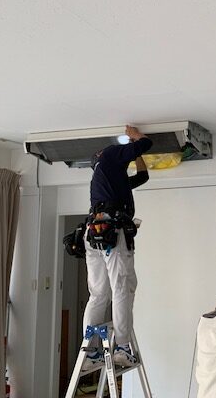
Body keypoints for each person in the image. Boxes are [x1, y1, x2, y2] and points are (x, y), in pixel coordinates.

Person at [82, 125, 153, 369]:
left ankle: (90, 352)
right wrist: (135, 137)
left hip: (95, 233)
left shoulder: (110, 180)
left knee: (99, 294)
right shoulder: (111, 154)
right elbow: (146, 143)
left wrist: (136, 154)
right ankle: (122, 347)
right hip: (112, 232)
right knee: (122, 288)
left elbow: (142, 177)